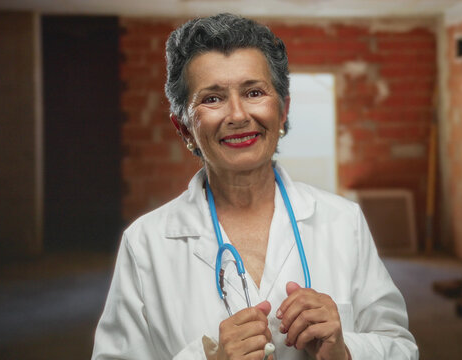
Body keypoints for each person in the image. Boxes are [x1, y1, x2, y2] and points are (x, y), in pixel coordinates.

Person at [92, 13, 418, 360]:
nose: (237, 115)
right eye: (212, 99)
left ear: (283, 111)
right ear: (184, 128)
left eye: (254, 92)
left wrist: (346, 351)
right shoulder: (146, 243)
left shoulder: (343, 220)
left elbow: (400, 346)